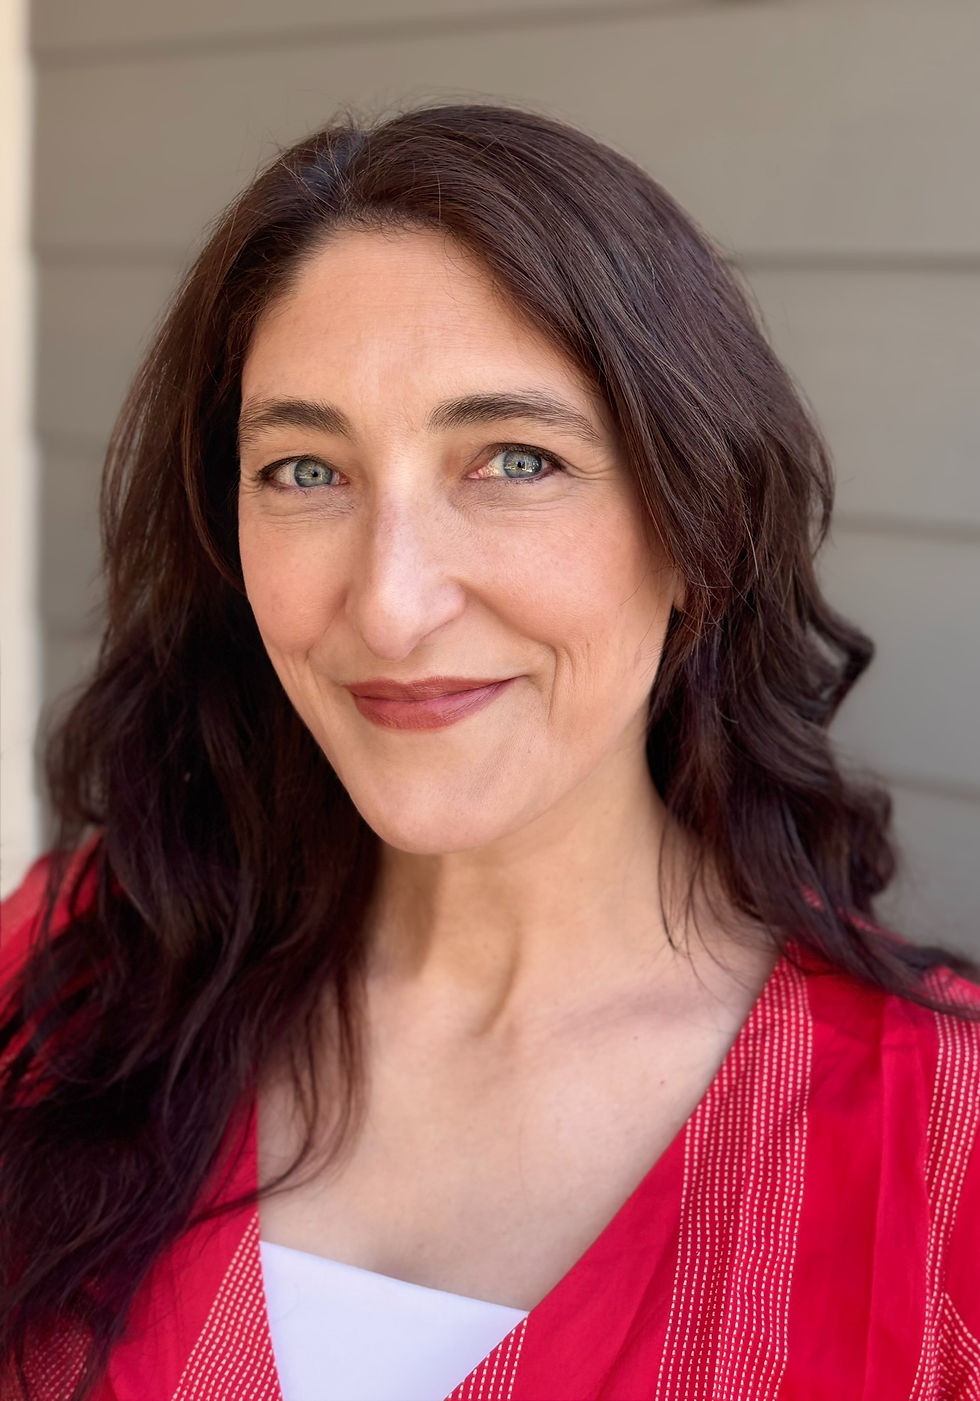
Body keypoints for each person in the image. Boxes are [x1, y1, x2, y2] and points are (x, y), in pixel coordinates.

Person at [1, 101, 978, 1401]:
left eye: (513, 459)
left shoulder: (945, 1146)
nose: (393, 603)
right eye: (303, 470)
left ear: (697, 528)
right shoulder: (67, 974)